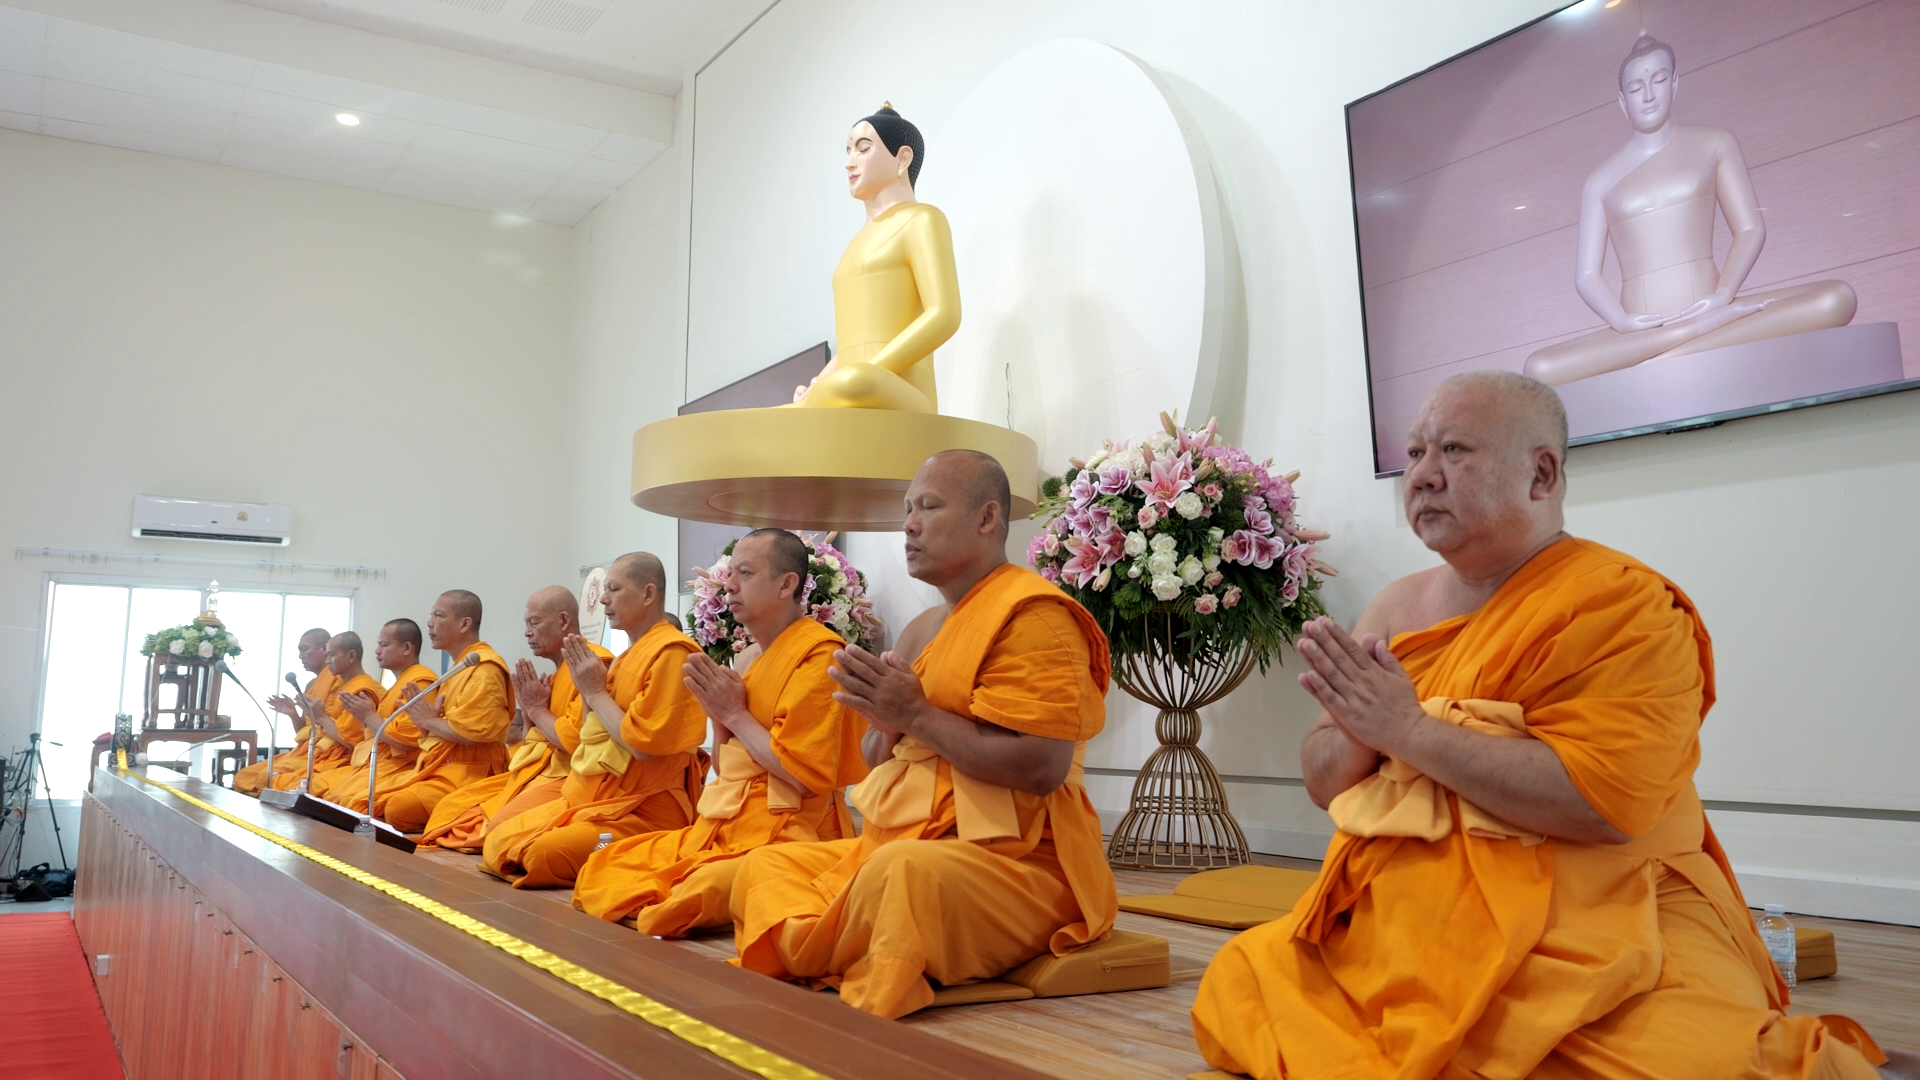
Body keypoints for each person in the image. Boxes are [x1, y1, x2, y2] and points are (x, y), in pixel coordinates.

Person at [1190, 371, 1891, 1078]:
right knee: (1240, 983)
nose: (1423, 475)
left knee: (1715, 1063)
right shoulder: (1395, 608)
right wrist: (1362, 725)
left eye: (1454, 450)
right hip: (1405, 930)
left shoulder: (1623, 605)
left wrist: (1409, 731)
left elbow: (1604, 804)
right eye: (1416, 452)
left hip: (1596, 919)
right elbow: (1324, 782)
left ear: (1542, 474)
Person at [729, 451, 1115, 1019]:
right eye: (907, 509)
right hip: (902, 843)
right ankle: (852, 942)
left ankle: (853, 949)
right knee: (766, 867)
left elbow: (1041, 769)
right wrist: (887, 722)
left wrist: (916, 716)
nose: (909, 525)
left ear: (987, 518)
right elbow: (877, 759)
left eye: (929, 507)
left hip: (1017, 864)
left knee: (902, 875)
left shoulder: (1034, 617)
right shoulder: (920, 630)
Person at [572, 529, 867, 935]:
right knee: (607, 861)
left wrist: (733, 713)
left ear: (786, 585)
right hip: (723, 820)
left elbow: (802, 776)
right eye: (730, 574)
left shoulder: (819, 658)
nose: (729, 585)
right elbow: (727, 766)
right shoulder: (746, 658)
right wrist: (720, 716)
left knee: (688, 896)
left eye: (745, 573)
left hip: (791, 831)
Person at [1522, 34, 1854, 386]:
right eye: (1635, 88)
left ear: (1675, 83)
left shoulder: (1715, 143)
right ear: (1622, 101)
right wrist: (1620, 321)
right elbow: (1587, 276)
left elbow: (1750, 229)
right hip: (1641, 333)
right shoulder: (1600, 180)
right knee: (1540, 368)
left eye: (1658, 80)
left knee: (1834, 298)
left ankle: (1663, 356)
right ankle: (1695, 335)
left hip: (1711, 303)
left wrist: (1723, 295)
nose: (1648, 95)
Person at [479, 553, 705, 888]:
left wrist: (594, 692)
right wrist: (585, 695)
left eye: (614, 589)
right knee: (499, 836)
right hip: (598, 797)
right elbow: (593, 736)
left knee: (544, 853)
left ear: (647, 594)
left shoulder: (673, 653)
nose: (603, 599)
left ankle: (628, 851)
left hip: (643, 811)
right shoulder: (628, 657)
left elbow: (643, 747)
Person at [417, 587, 611, 851]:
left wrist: (536, 710)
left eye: (534, 623)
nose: (527, 632)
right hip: (535, 772)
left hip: (567, 778)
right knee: (451, 809)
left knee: (498, 831)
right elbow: (535, 741)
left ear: (564, 621)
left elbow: (577, 742)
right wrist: (531, 713)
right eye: (526, 624)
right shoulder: (559, 673)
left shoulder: (592, 665)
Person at [792, 104, 958, 412]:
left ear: (902, 158)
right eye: (848, 151)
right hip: (851, 386)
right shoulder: (855, 245)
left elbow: (944, 315)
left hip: (899, 392)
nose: (850, 162)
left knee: (852, 385)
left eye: (863, 148)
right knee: (783, 413)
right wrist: (819, 383)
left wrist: (872, 370)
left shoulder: (922, 219)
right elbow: (850, 346)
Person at [374, 591, 513, 833]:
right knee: (371, 798)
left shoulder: (484, 669)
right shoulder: (461, 667)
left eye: (439, 615)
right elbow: (442, 727)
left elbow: (477, 732)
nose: (430, 623)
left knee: (397, 807)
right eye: (432, 615)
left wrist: (429, 721)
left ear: (464, 624)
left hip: (473, 771)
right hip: (443, 766)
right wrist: (426, 723)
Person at [313, 619, 436, 812]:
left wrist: (367, 716)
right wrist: (367, 718)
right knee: (325, 791)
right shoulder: (399, 683)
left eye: (384, 645)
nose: (377, 651)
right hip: (378, 762)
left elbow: (407, 740)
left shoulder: (419, 683)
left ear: (406, 648)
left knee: (347, 801)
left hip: (402, 765)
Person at [269, 632, 381, 794]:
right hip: (318, 752)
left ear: (351, 656)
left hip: (340, 757)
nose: (327, 661)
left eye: (331, 655)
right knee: (258, 777)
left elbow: (354, 742)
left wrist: (321, 717)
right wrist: (294, 714)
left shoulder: (360, 690)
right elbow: (316, 730)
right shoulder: (345, 685)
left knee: (280, 781)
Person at [234, 627, 334, 796]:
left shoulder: (339, 681)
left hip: (326, 754)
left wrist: (321, 718)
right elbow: (304, 731)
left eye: (304, 649)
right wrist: (293, 714)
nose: (300, 656)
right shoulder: (311, 685)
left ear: (324, 648)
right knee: (244, 776)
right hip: (304, 751)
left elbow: (343, 730)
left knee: (267, 776)